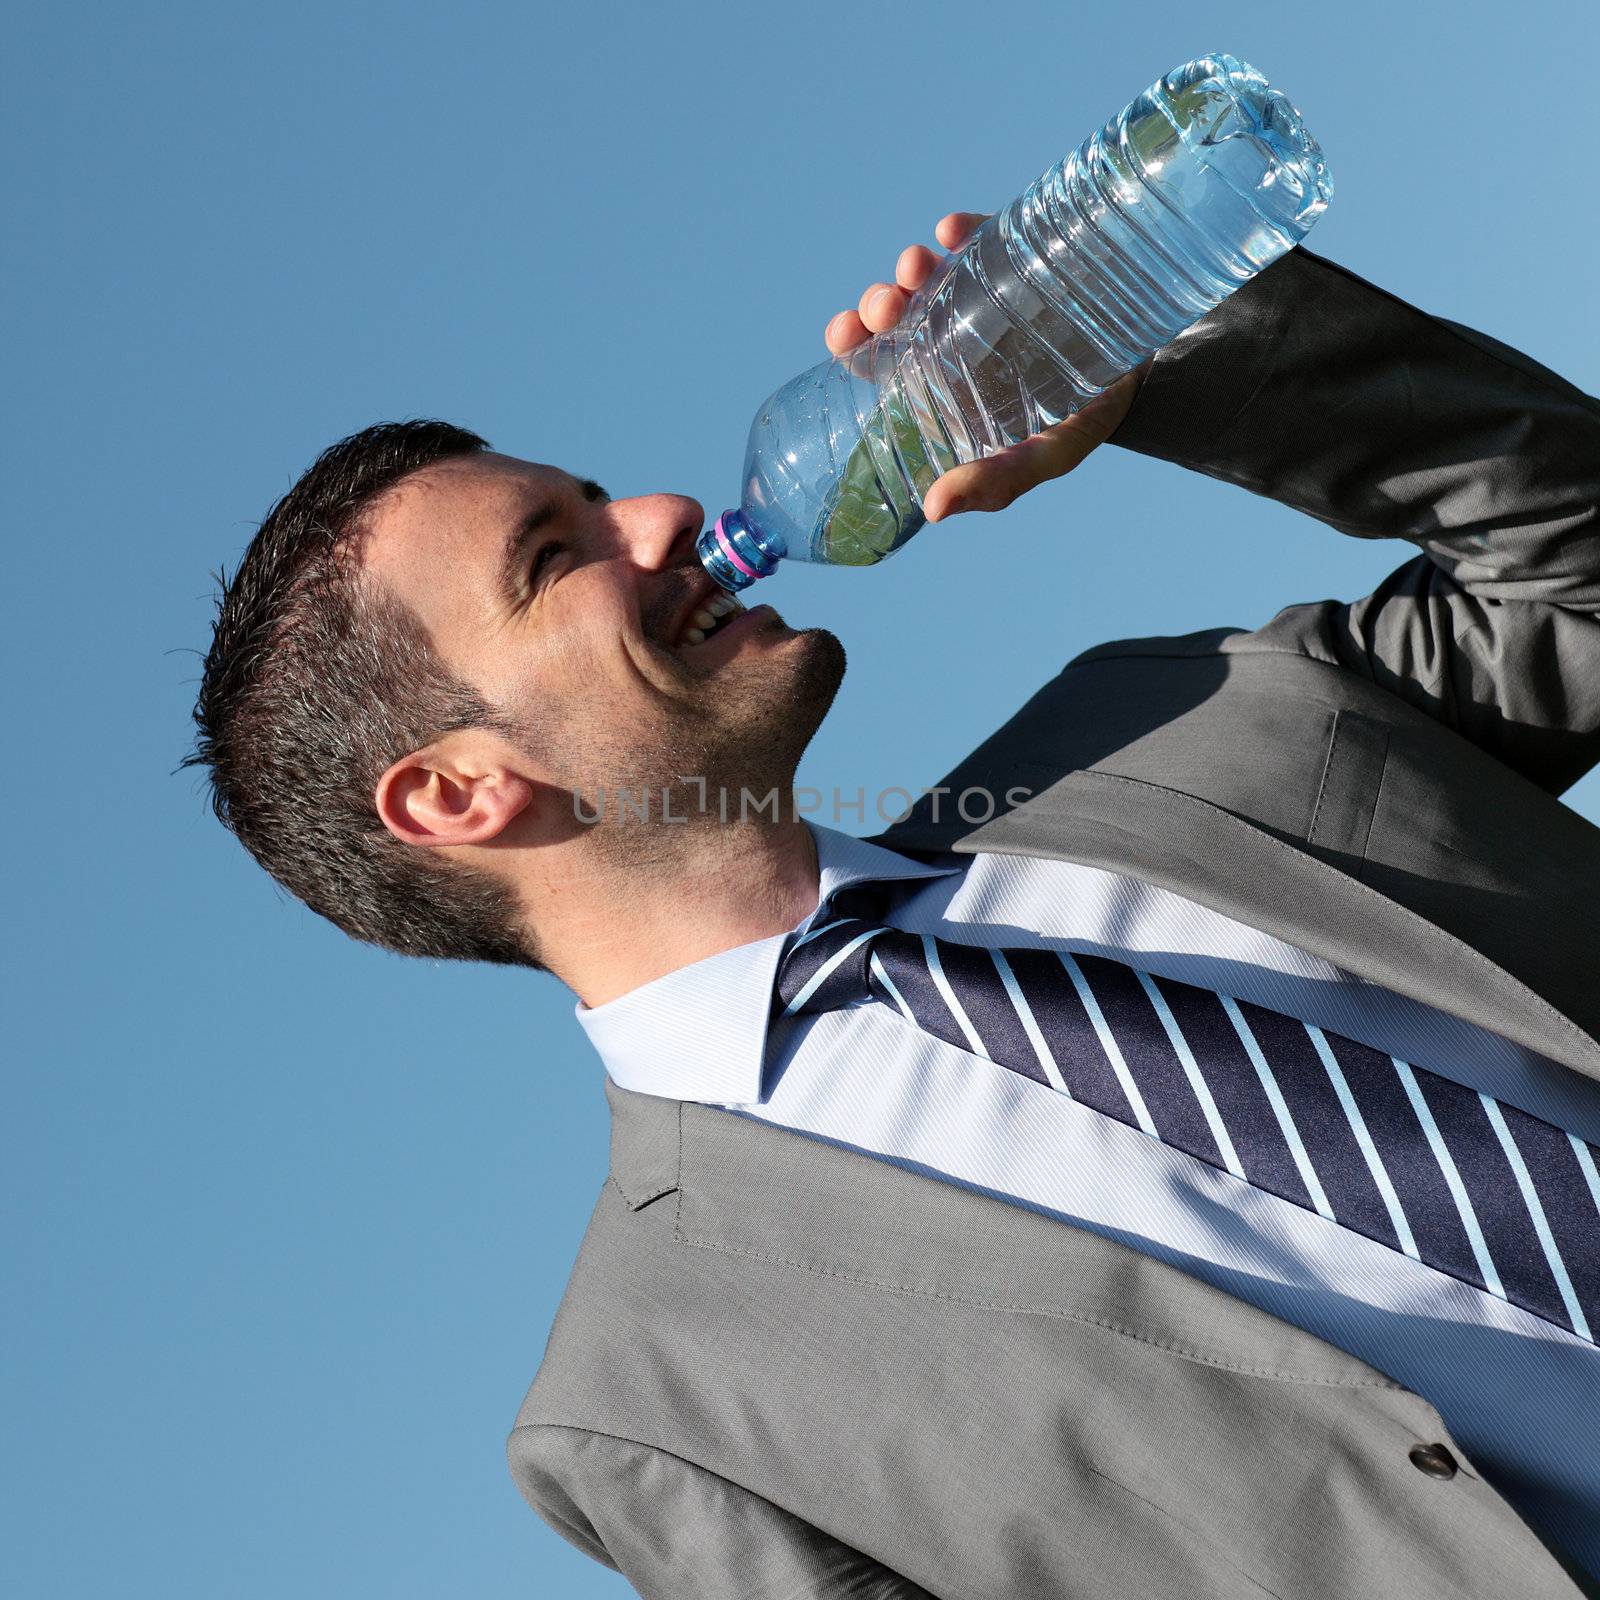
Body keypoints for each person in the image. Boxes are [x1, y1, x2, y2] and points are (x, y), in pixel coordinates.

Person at [186, 211, 1600, 1598]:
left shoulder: (1165, 722)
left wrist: (1135, 348)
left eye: (604, 493)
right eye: (555, 555)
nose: (665, 515)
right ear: (457, 795)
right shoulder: (655, 1411)